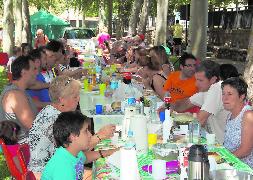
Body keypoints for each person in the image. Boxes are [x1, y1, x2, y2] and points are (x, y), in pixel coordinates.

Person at [28, 76, 117, 178]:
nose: (78, 99)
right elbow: (81, 147)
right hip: (43, 173)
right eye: (75, 97)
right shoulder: (58, 121)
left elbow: (79, 155)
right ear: (62, 100)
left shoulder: (51, 110)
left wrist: (110, 151)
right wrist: (100, 135)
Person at [172, 60, 229, 144]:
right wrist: (169, 104)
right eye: (196, 79)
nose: (196, 84)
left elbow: (199, 121)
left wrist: (176, 137)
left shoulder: (218, 88)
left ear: (213, 79)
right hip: (212, 141)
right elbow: (183, 105)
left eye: (200, 80)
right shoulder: (207, 90)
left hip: (223, 147)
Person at [41, 111, 92, 179]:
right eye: (86, 131)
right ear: (73, 136)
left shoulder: (73, 151)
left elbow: (84, 158)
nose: (90, 135)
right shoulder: (63, 168)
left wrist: (108, 152)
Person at [0, 56, 38, 144]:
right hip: (22, 151)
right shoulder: (15, 95)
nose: (37, 73)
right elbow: (34, 127)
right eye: (34, 69)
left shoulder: (18, 91)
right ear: (23, 72)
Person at [222, 77, 253, 168]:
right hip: (230, 164)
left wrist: (223, 160)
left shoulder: (248, 115)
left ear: (241, 96)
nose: (225, 98)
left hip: (244, 169)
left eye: (230, 94)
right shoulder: (230, 115)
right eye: (223, 94)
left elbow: (245, 150)